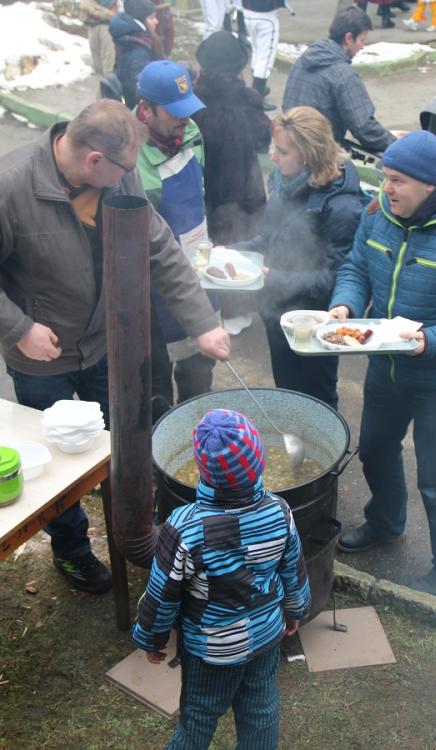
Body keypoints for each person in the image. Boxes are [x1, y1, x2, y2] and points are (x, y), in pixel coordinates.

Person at [0, 99, 230, 595]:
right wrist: (19, 328)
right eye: (125, 168)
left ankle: (138, 535)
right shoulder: (10, 185)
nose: (132, 177)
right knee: (56, 464)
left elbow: (161, 246)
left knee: (125, 443)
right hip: (42, 355)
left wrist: (203, 322)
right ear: (93, 161)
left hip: (105, 344)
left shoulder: (115, 177)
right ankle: (74, 552)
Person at [329, 130, 436, 597]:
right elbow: (356, 268)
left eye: (398, 181)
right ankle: (385, 522)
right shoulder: (376, 213)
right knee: (376, 450)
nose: (388, 189)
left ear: (430, 184)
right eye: (386, 177)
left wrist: (429, 341)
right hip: (386, 364)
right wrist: (345, 304)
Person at [132, 408, 311, 750]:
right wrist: (294, 610)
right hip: (265, 635)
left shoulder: (185, 526)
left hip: (212, 649)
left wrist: (151, 638)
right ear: (259, 461)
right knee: (261, 711)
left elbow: (162, 593)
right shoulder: (280, 510)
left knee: (198, 718)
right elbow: (293, 568)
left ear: (202, 469)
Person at [236, 106, 364, 409]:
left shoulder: (341, 205)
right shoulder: (288, 183)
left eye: (282, 151)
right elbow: (270, 238)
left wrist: (273, 277)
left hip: (314, 321)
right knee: (288, 394)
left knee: (316, 400)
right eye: (273, 148)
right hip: (277, 310)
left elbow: (335, 277)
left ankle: (325, 454)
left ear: (309, 154)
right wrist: (235, 252)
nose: (274, 158)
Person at [135, 60, 218, 413]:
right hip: (153, 284)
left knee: (200, 374)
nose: (183, 121)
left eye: (187, 111)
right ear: (145, 110)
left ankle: (197, 439)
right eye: (174, 113)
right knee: (153, 384)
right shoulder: (128, 153)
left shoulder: (191, 132)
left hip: (198, 271)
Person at [193, 30, 271, 246]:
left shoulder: (192, 102)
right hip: (246, 197)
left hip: (205, 197)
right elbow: (263, 143)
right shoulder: (249, 100)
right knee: (244, 259)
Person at [283, 5, 396, 154]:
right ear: (348, 38)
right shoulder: (343, 74)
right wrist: (398, 146)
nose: (362, 47)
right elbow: (365, 128)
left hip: (289, 146)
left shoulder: (305, 58)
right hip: (318, 156)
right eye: (362, 40)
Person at [109, 0, 163, 109]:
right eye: (152, 18)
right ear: (141, 21)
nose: (156, 21)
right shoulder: (137, 51)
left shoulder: (135, 40)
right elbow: (140, 87)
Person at [242, 0, 287, 111]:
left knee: (257, 52)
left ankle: (257, 90)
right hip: (266, 15)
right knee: (265, 58)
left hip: (248, 13)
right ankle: (257, 96)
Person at [80, 0, 118, 76]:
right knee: (100, 65)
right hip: (94, 23)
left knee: (108, 66)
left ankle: (107, 84)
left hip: (105, 24)